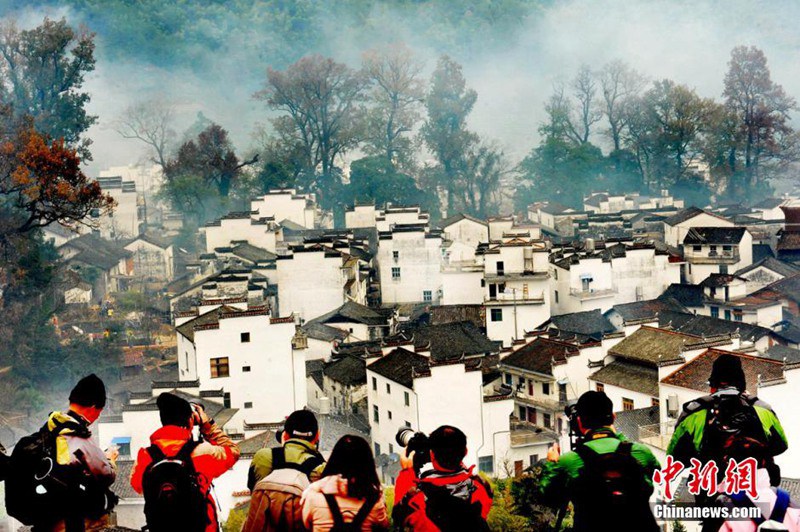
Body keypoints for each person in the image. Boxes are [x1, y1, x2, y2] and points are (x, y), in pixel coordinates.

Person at [667, 354, 789, 532]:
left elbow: (675, 457)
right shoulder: (762, 410)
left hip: (714, 505)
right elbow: (781, 445)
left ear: (713, 385)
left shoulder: (694, 413)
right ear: (742, 384)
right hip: (759, 502)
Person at [6, 374, 118, 531]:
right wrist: (110, 459)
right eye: (99, 411)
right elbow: (105, 475)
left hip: (41, 517)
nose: (98, 416)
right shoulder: (79, 438)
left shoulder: (47, 431)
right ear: (93, 408)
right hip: (69, 522)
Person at [539, 390, 660, 532]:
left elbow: (548, 498)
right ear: (613, 418)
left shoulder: (568, 461)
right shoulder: (642, 452)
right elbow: (653, 471)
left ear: (579, 422)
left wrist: (552, 463)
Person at [130, 392, 240, 532]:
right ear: (190, 421)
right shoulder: (203, 452)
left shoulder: (145, 456)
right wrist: (207, 425)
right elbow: (233, 451)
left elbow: (137, 486)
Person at [393, 425, 493, 531]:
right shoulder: (480, 487)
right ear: (466, 452)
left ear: (432, 454)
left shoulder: (418, 499)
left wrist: (407, 472)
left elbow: (400, 517)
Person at [243, 409, 326, 531]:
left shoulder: (262, 457)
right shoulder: (321, 468)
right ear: (317, 436)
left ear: (285, 435)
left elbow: (253, 490)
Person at [301, 435, 389, 531]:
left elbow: (307, 524)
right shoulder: (375, 500)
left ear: (334, 460)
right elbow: (383, 526)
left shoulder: (314, 494)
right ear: (367, 464)